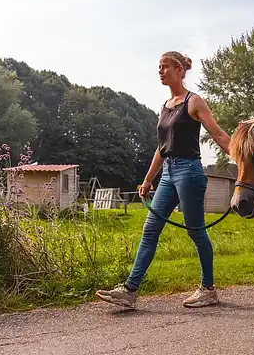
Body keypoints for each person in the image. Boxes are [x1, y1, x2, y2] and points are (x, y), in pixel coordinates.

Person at [96, 51, 232, 309]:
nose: (160, 71)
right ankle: (130, 291)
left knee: (195, 231)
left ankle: (208, 289)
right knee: (150, 229)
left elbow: (218, 135)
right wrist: (148, 180)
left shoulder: (194, 102)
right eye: (159, 67)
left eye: (165, 66)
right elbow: (162, 148)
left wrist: (242, 157)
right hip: (168, 173)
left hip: (189, 171)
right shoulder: (166, 106)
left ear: (180, 70)